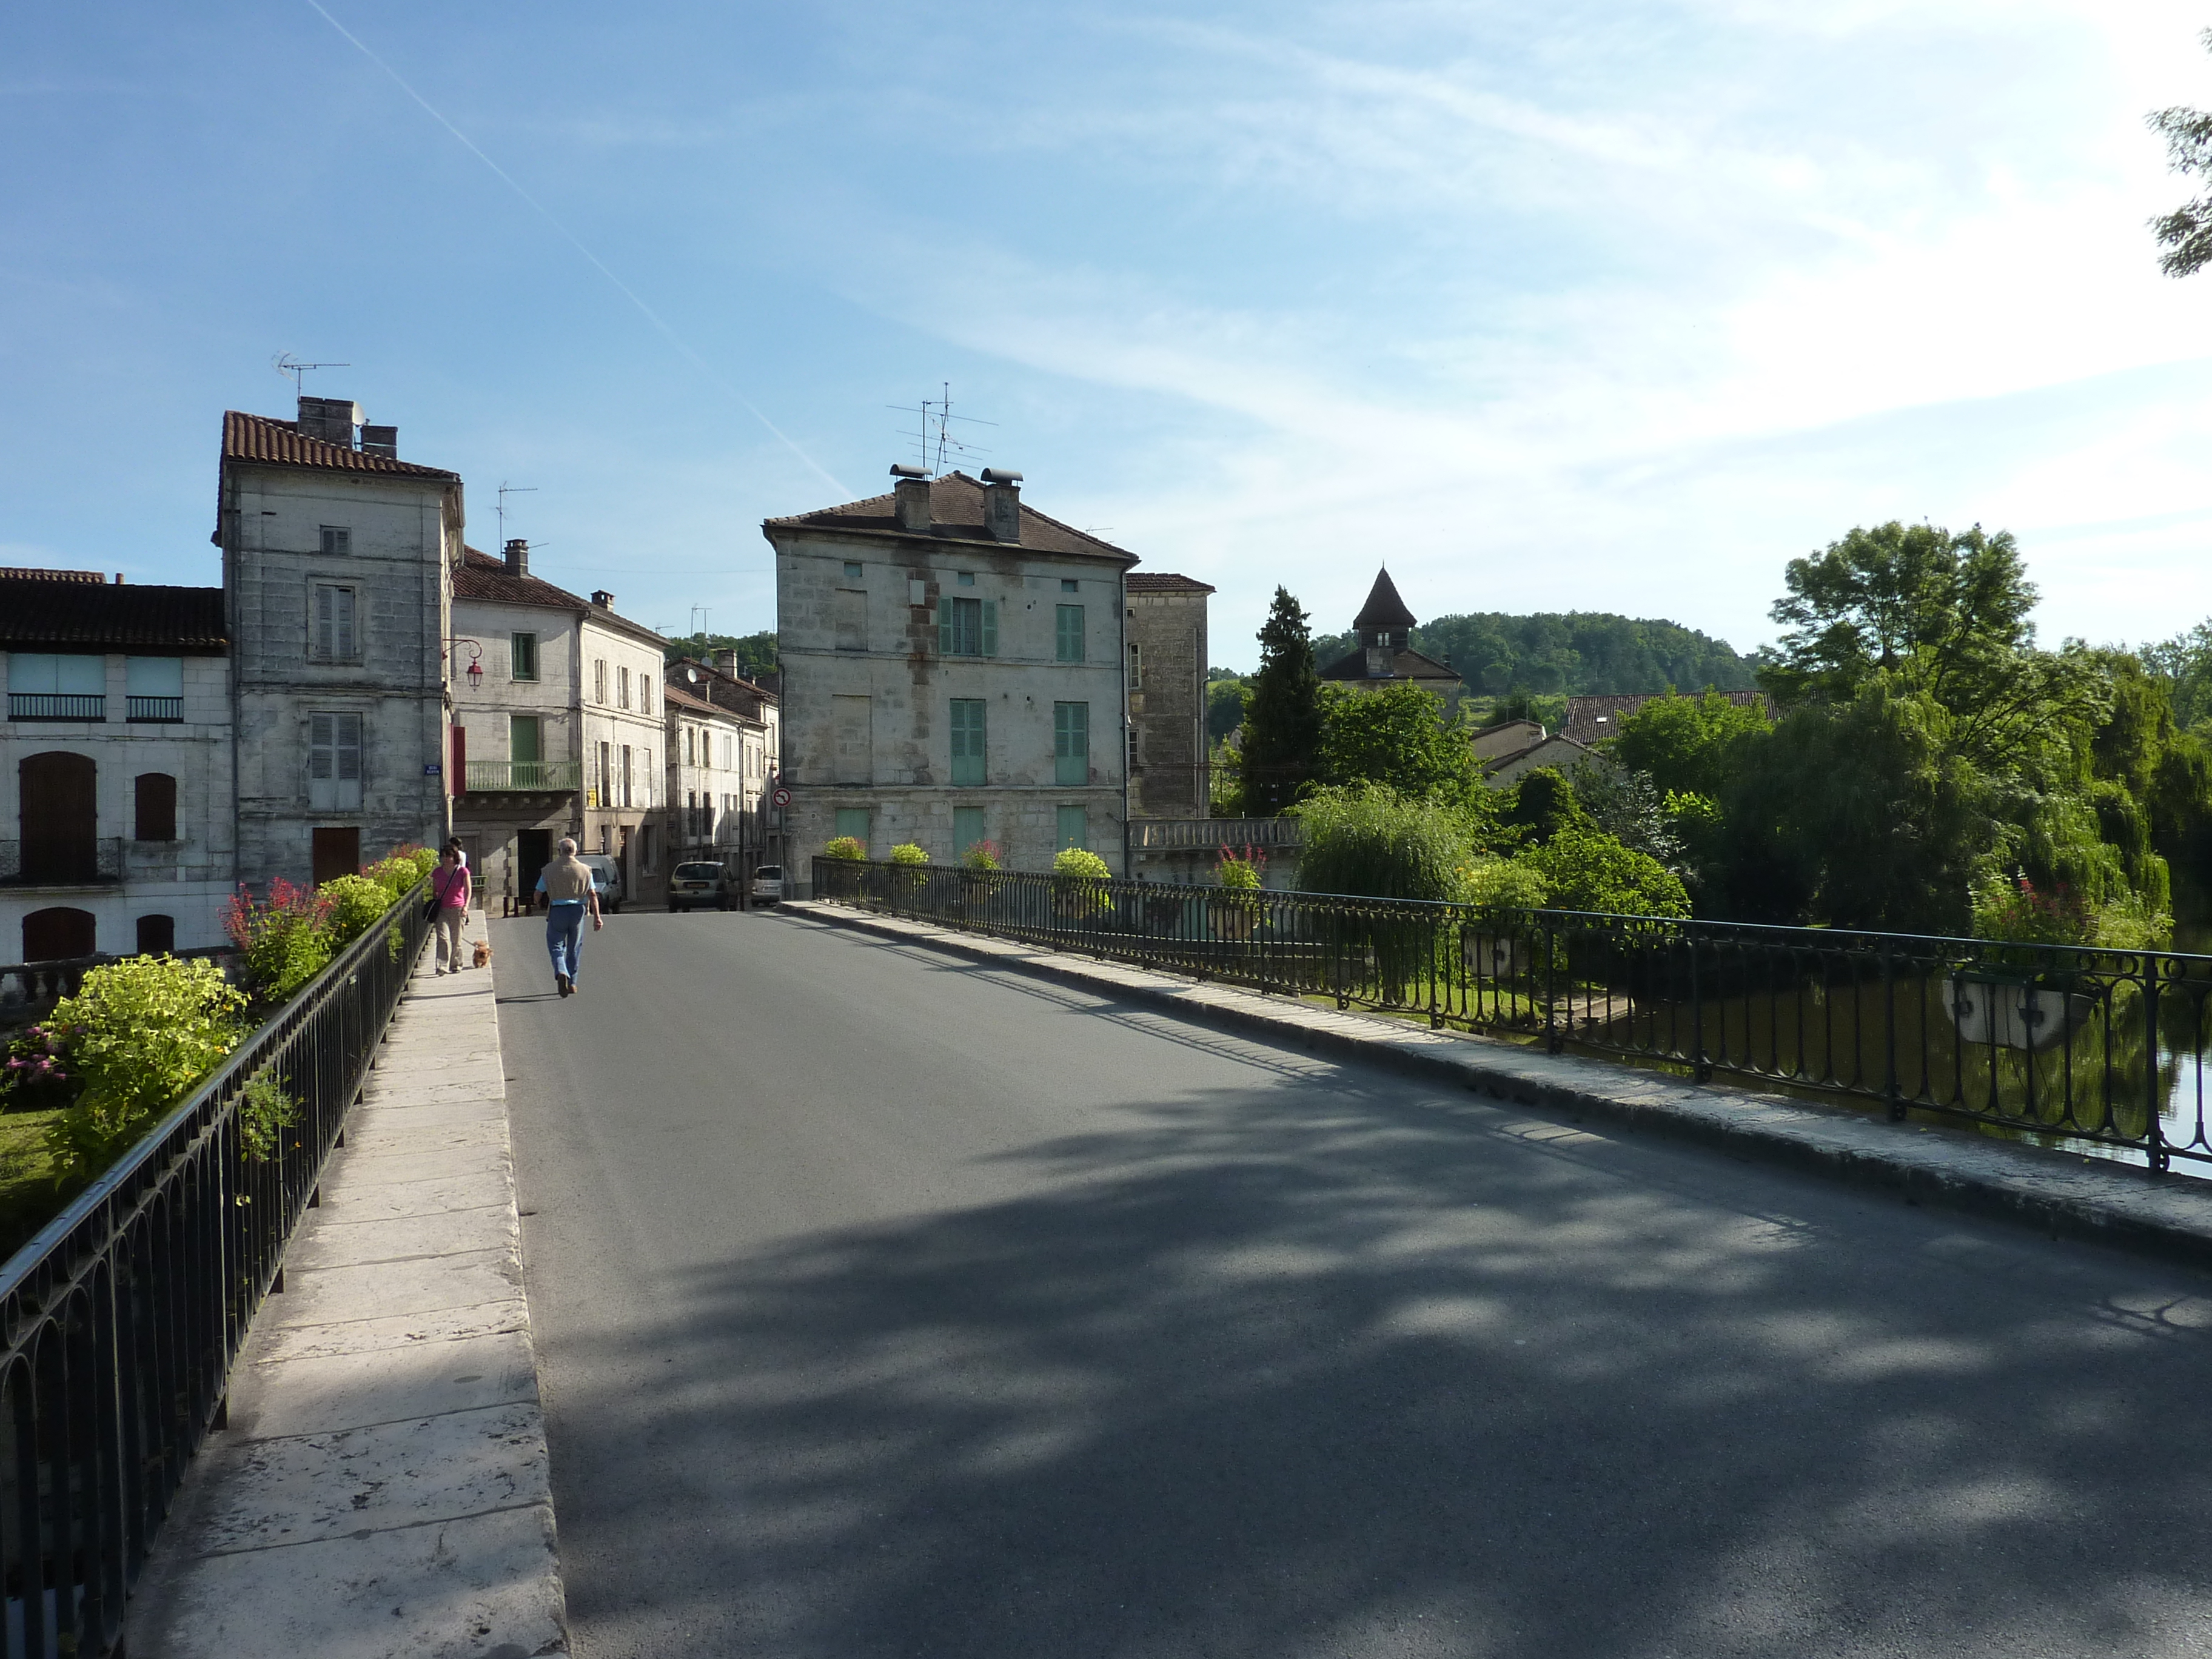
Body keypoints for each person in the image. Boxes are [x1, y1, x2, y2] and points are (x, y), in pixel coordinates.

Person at [535, 837, 602, 997]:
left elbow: (538, 893)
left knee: (556, 945)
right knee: (574, 947)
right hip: (578, 910)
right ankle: (572, 983)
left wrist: (540, 905)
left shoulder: (549, 870)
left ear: (560, 851)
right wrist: (597, 917)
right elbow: (592, 894)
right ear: (575, 851)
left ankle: (561, 970)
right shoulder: (586, 870)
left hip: (557, 910)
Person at [430, 842, 472, 976]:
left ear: (455, 857)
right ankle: (441, 966)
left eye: (449, 856)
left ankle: (456, 964)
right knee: (443, 938)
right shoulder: (437, 872)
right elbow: (435, 890)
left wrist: (466, 906)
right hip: (442, 909)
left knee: (457, 940)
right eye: (444, 856)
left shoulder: (462, 872)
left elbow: (468, 891)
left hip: (458, 908)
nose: (446, 859)